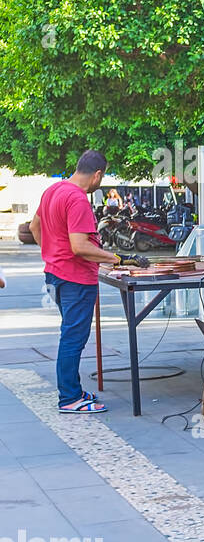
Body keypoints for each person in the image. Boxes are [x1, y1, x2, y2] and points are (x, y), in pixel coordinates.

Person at [29, 151, 147, 413]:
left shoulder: (53, 190)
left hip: (55, 274)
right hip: (75, 280)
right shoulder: (78, 199)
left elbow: (35, 226)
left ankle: (72, 390)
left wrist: (51, 252)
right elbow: (80, 246)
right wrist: (118, 258)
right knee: (73, 338)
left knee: (69, 334)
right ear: (97, 175)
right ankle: (69, 398)